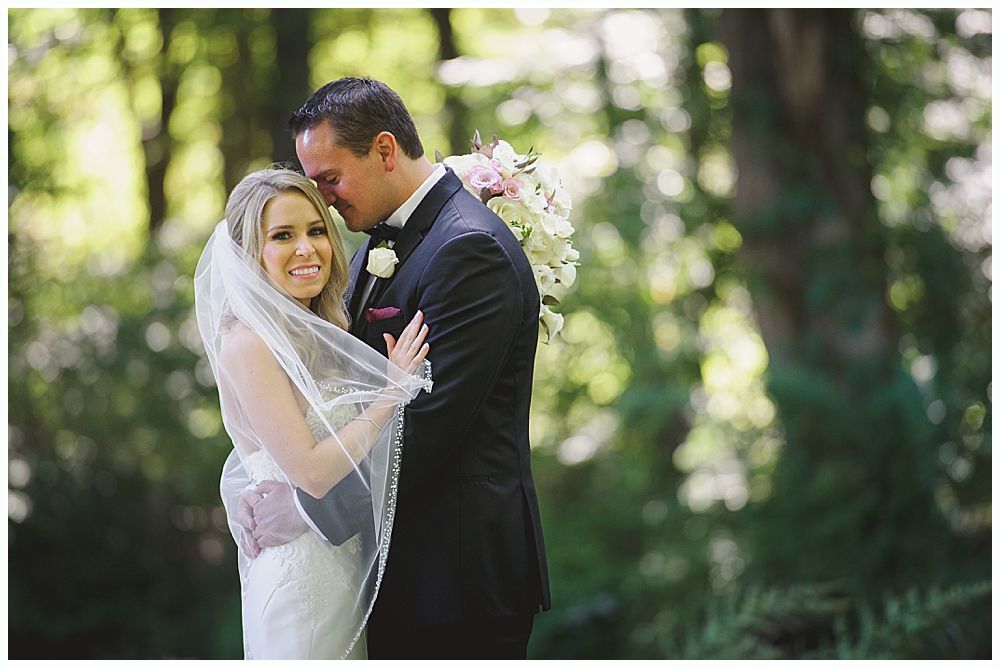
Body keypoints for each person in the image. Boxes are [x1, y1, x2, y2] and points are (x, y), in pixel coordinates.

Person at [242, 77, 551, 658]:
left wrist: (306, 508)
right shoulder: (376, 244)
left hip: (456, 578)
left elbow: (427, 427)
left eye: (330, 179)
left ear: (384, 150)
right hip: (396, 573)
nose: (323, 200)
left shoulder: (469, 249)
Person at [193, 167, 433, 659]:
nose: (306, 248)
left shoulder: (322, 330)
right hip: (297, 577)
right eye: (282, 236)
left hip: (339, 567)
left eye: (316, 230)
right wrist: (390, 395)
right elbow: (310, 472)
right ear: (249, 253)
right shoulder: (248, 343)